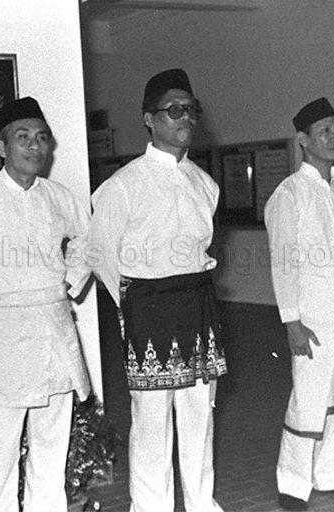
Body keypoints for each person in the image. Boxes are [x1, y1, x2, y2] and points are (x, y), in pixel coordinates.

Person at [89, 68, 227, 512]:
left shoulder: (205, 184)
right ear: (149, 119)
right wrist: (131, 305)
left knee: (198, 415)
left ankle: (202, 502)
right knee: (150, 422)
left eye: (190, 109)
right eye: (173, 110)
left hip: (198, 306)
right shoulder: (123, 185)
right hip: (148, 309)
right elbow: (100, 253)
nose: (184, 117)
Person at [0, 97, 92, 512]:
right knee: (1, 444)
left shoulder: (59, 197)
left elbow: (88, 243)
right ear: (1, 147)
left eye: (42, 139)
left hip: (54, 322)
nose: (35, 147)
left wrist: (68, 284)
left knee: (52, 440)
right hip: (6, 327)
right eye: (23, 138)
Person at [264, 97, 334, 512]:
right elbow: (283, 262)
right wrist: (291, 322)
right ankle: (293, 482)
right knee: (310, 395)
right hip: (313, 309)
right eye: (325, 131)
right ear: (303, 140)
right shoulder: (289, 195)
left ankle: (327, 473)